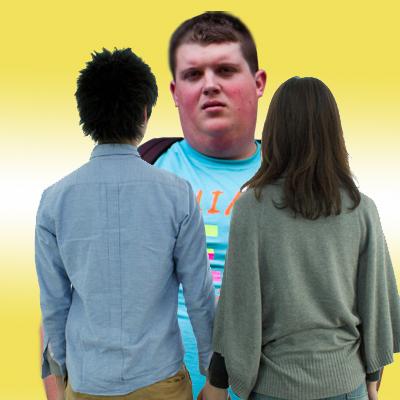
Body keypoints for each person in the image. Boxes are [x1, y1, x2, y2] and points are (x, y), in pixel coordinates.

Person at [202, 77, 400, 400]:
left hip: (273, 387)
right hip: (346, 384)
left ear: (274, 133)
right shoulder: (362, 209)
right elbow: (375, 301)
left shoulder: (251, 209)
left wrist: (217, 384)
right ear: (333, 133)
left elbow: (237, 308)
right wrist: (372, 380)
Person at [36, 48, 215, 400]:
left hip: (87, 382)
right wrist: (212, 372)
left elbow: (54, 304)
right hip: (160, 380)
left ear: (86, 114)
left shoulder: (54, 201)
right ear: (144, 113)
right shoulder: (178, 195)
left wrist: (64, 373)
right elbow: (200, 296)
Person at [147, 12, 266, 399]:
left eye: (226, 70)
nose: (210, 85)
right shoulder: (140, 170)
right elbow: (72, 291)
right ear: (174, 91)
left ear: (259, 82)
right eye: (193, 74)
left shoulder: (301, 178)